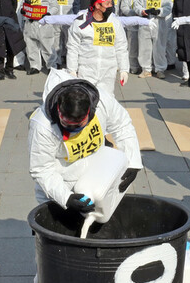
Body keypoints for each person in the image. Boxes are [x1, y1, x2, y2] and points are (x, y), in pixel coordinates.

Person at [28, 70, 142, 209]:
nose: (73, 129)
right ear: (59, 111)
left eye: (78, 125)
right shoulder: (42, 126)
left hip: (95, 179)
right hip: (59, 189)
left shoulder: (102, 102)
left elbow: (122, 125)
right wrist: (65, 197)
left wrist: (133, 161)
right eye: (67, 125)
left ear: (90, 112)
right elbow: (42, 169)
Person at [66, 0, 129, 94]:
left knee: (106, 101)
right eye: (107, 4)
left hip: (108, 71)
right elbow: (73, 48)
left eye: (111, 3)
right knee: (86, 100)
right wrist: (72, 70)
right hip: (86, 70)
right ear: (97, 5)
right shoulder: (80, 22)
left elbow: (121, 47)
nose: (111, 6)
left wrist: (124, 69)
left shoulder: (114, 22)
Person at [21, 0, 60, 75]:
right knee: (31, 45)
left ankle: (51, 66)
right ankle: (34, 66)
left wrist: (48, 13)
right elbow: (22, 5)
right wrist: (23, 10)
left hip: (44, 23)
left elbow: (55, 6)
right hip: (30, 22)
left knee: (47, 45)